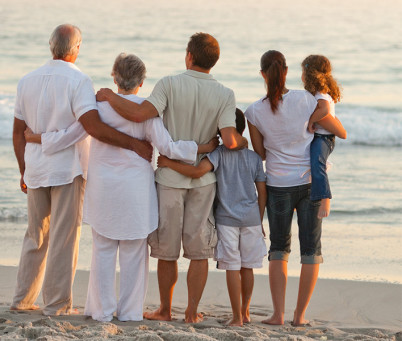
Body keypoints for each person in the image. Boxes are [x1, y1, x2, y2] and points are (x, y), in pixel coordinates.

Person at [25, 53, 217, 322]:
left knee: (102, 251)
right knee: (134, 254)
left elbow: (71, 135)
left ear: (114, 77)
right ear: (141, 81)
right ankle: (129, 313)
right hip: (135, 190)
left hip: (103, 187)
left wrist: (37, 138)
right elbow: (170, 148)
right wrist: (204, 147)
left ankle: (100, 312)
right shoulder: (147, 112)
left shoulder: (98, 107)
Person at [96, 32, 247, 323]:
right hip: (203, 182)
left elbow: (141, 114)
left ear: (189, 56)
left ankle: (165, 309)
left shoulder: (169, 83)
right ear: (214, 61)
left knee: (167, 250)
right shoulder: (226, 94)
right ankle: (191, 311)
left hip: (168, 178)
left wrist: (108, 96)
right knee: (199, 249)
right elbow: (229, 139)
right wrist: (242, 144)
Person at [11, 24, 153, 316]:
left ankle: (22, 299)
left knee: (35, 235)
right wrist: (133, 144)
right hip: (67, 169)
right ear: (75, 49)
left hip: (36, 168)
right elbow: (92, 126)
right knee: (64, 236)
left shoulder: (26, 80)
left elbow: (17, 132)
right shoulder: (79, 81)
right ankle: (56, 304)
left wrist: (23, 169)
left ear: (52, 46)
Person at [157, 109, 267, 327]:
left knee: (233, 267)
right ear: (243, 129)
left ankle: (236, 318)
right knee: (248, 267)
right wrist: (260, 218)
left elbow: (198, 172)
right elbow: (262, 191)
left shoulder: (218, 154)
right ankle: (245, 313)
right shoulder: (254, 158)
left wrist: (169, 164)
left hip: (227, 220)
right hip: (252, 220)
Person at [244, 50, 322, 327]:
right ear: (286, 71)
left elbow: (261, 153)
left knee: (279, 249)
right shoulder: (306, 98)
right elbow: (322, 128)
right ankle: (299, 317)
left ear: (263, 74)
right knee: (310, 250)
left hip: (278, 184)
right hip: (310, 182)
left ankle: (278, 315)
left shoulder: (253, 111)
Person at [301, 55, 347, 219]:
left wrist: (311, 121)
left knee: (316, 163)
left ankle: (325, 198)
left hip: (324, 138)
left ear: (309, 74)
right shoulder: (319, 93)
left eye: (302, 71)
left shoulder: (321, 94)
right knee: (307, 164)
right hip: (320, 136)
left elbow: (325, 110)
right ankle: (302, 197)